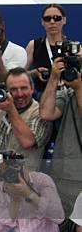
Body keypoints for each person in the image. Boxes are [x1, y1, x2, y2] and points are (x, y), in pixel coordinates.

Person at [0, 68, 51, 189]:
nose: (19, 94)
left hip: (14, 190)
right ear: (7, 91)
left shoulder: (41, 112)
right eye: (13, 90)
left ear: (32, 88)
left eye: (24, 88)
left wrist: (10, 109)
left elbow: (27, 141)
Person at [39, 56, 82, 216]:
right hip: (60, 175)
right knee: (60, 231)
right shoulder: (68, 92)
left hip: (79, 178)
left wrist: (79, 89)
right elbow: (46, 113)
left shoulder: (76, 90)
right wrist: (54, 78)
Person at [25, 4, 69, 98]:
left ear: (64, 20)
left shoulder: (73, 47)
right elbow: (19, 74)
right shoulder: (34, 45)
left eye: (57, 18)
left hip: (68, 95)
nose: (52, 22)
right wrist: (35, 72)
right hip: (43, 96)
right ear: (42, 22)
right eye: (47, 18)